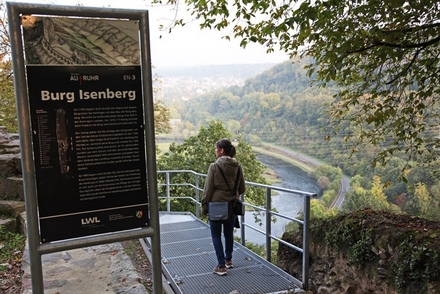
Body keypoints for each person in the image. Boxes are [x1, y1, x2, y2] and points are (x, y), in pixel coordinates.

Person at [202, 138, 246, 276]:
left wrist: (204, 206)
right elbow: (242, 188)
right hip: (231, 207)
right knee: (228, 234)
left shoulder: (214, 167)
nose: (215, 151)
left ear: (221, 151)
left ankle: (221, 266)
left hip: (216, 207)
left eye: (216, 149)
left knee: (216, 234)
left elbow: (208, 189)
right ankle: (228, 260)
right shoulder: (237, 167)